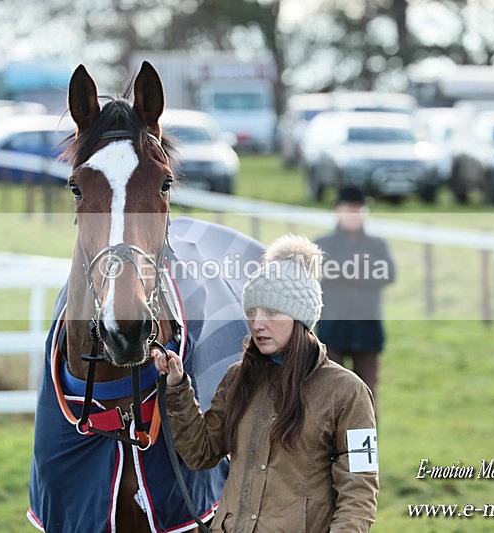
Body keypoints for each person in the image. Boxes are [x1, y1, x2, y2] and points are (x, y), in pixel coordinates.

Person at [152, 234, 378, 532]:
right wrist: (177, 386)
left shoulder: (349, 392)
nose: (257, 323)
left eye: (271, 312)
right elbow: (200, 453)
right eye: (252, 312)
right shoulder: (238, 378)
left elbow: (361, 489)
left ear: (300, 317)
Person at [314, 186, 395, 418]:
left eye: (358, 209)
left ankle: (368, 449)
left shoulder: (376, 244)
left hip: (367, 328)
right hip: (332, 328)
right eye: (350, 209)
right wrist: (362, 268)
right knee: (332, 393)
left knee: (368, 394)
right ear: (337, 211)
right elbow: (318, 270)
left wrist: (341, 269)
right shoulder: (323, 244)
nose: (354, 214)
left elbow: (388, 273)